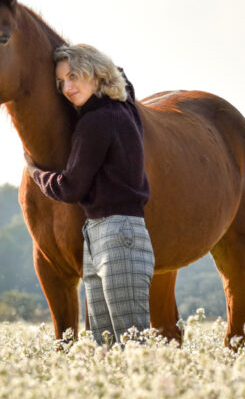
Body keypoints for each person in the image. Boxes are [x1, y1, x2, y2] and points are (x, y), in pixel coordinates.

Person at [24, 43, 153, 345]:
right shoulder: (123, 108)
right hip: (104, 234)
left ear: (96, 74)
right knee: (105, 344)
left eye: (73, 76)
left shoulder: (96, 121)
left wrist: (35, 172)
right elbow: (122, 80)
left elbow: (70, 188)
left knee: (131, 343)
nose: (67, 88)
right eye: (61, 82)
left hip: (117, 233)